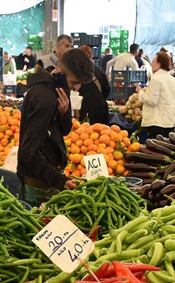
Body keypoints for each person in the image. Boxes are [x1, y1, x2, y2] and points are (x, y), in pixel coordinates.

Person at [18, 48, 94, 205]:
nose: (77, 88)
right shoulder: (45, 98)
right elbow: (29, 151)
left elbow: (63, 131)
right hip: (38, 180)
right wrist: (59, 180)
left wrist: (64, 113)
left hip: (47, 173)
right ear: (59, 72)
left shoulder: (56, 92)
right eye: (74, 82)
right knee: (38, 223)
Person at [137, 52, 175, 139]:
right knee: (167, 148)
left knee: (156, 150)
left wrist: (140, 93)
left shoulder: (155, 79)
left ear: (159, 64)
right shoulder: (173, 80)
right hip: (170, 121)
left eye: (153, 62)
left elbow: (152, 101)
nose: (151, 64)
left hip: (157, 122)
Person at [77, 45, 109, 125]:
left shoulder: (76, 72)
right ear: (91, 56)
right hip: (99, 108)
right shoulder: (98, 71)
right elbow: (107, 90)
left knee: (83, 133)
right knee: (100, 134)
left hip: (83, 108)